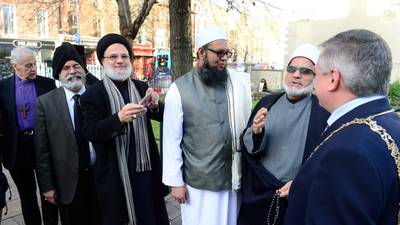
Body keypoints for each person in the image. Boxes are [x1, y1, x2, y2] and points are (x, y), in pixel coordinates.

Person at [284, 29, 400, 225]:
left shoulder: (346, 153)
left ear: (332, 79)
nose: (313, 83)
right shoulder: (391, 122)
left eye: (316, 73)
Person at [162, 27, 252, 225]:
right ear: (201, 52)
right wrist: (175, 183)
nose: (224, 58)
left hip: (233, 176)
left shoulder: (237, 83)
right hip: (198, 184)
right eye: (218, 53)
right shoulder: (179, 89)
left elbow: (247, 125)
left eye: (227, 53)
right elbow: (171, 139)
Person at [80, 33, 169, 225]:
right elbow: (90, 131)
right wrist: (119, 119)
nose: (119, 61)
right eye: (113, 57)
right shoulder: (93, 94)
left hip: (145, 169)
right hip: (116, 173)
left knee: (150, 216)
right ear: (102, 61)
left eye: (124, 56)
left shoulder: (141, 86)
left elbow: (162, 117)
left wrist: (155, 106)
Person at [238, 44, 330, 225]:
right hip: (260, 192)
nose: (297, 75)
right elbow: (249, 147)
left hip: (297, 195)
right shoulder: (268, 102)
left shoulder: (322, 111)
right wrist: (256, 132)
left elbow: (328, 160)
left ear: (315, 77)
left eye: (305, 71)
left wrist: (302, 182)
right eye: (292, 69)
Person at [34, 42, 100, 225]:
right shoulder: (45, 104)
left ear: (84, 69)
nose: (72, 71)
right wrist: (47, 186)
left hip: (101, 177)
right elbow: (42, 151)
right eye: (66, 68)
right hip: (68, 183)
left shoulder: (99, 95)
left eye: (76, 66)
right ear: (58, 74)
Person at [0, 46, 58, 225]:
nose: (33, 69)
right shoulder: (2, 88)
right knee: (27, 196)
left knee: (49, 193)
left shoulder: (47, 84)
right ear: (14, 66)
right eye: (28, 66)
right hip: (17, 149)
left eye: (34, 64)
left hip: (43, 146)